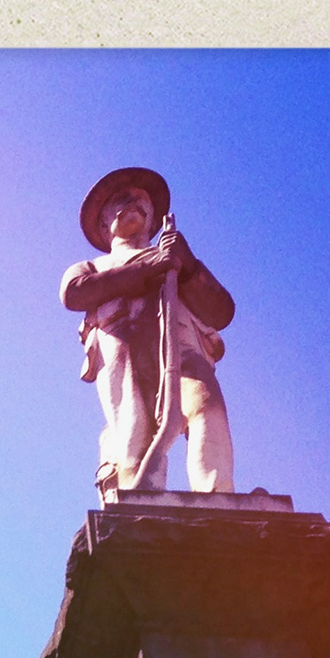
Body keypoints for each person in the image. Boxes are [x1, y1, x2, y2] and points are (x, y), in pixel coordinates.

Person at [60, 167, 236, 495]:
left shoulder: (176, 260)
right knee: (133, 428)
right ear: (103, 224)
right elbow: (74, 292)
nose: (133, 203)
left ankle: (217, 493)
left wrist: (187, 264)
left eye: (141, 200)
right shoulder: (92, 267)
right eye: (121, 200)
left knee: (205, 405)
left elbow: (222, 310)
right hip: (120, 348)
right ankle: (137, 493)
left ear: (154, 218)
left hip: (182, 346)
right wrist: (147, 268)